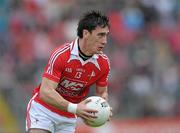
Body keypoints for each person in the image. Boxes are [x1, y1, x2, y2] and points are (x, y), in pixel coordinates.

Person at [26, 10, 111, 133]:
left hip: (68, 118)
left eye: (106, 35)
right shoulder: (62, 55)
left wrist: (103, 107)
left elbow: (102, 93)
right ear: (86, 33)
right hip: (43, 110)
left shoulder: (103, 63)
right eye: (100, 35)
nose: (105, 41)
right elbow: (46, 92)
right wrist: (75, 108)